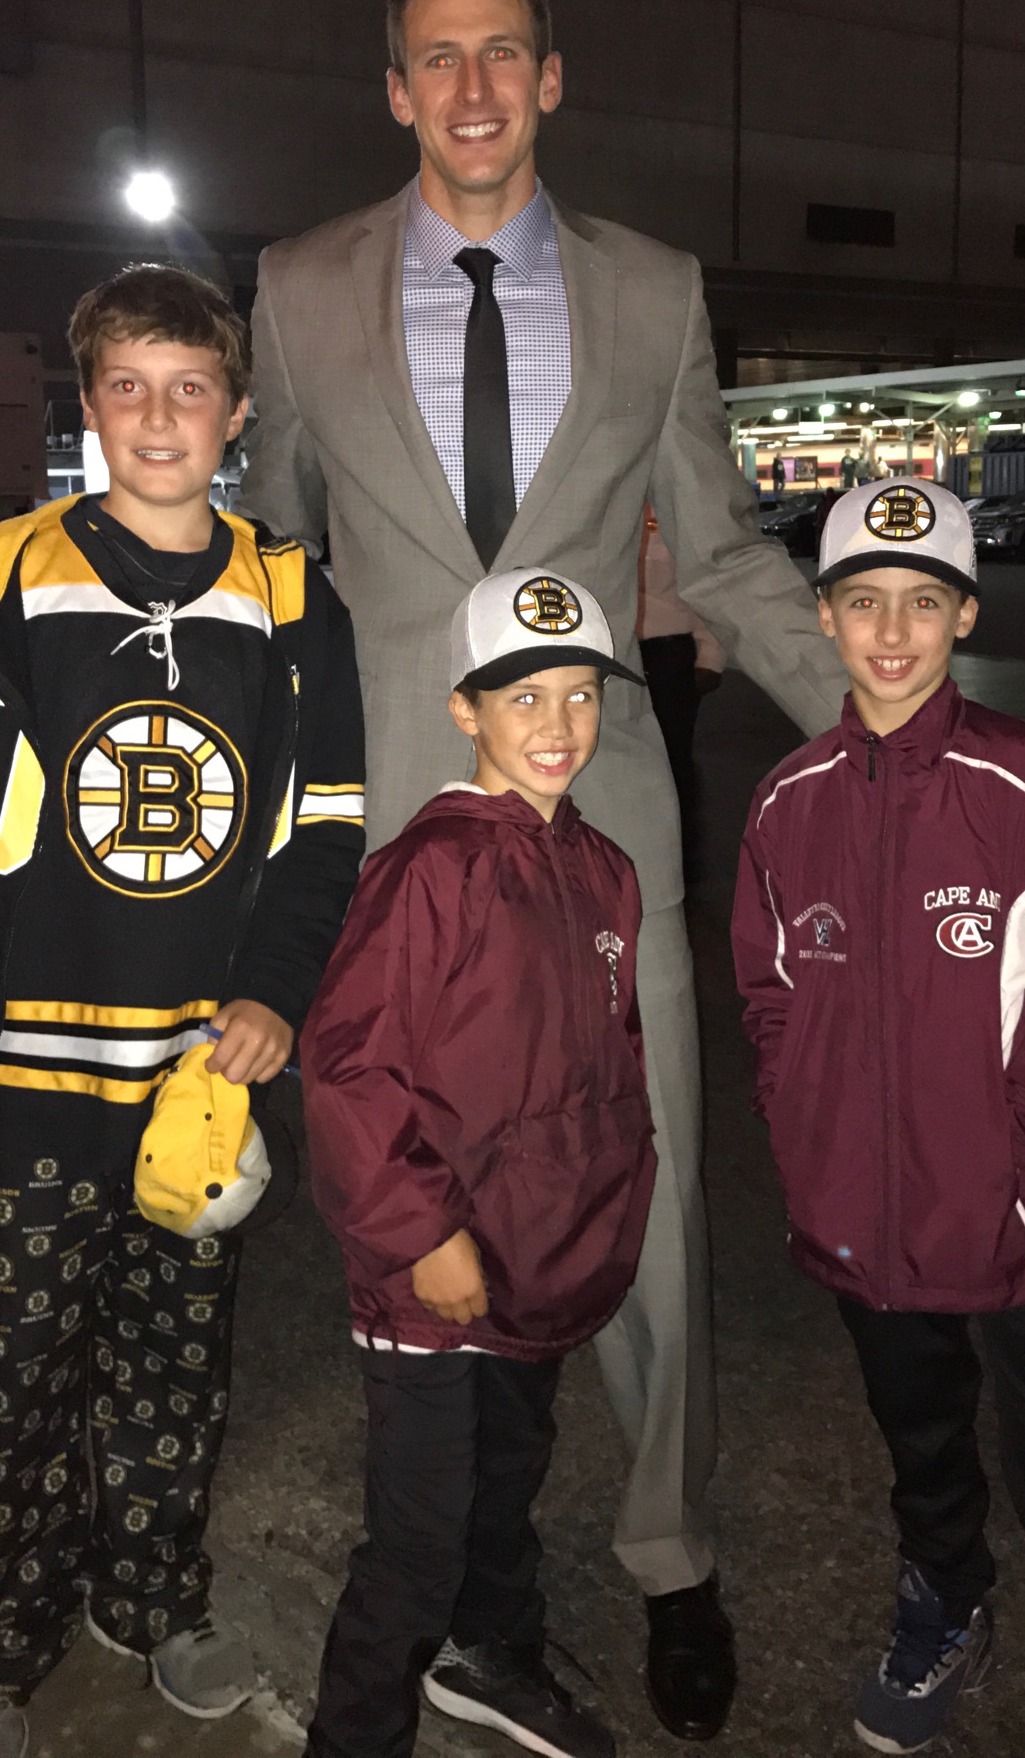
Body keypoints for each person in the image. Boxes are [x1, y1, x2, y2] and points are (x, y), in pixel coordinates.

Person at [238, 0, 844, 1739]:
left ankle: (671, 1546)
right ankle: (444, 1558)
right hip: (390, 818)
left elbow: (719, 549)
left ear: (551, 79)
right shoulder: (299, 288)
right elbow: (270, 568)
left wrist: (880, 712)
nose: (475, 88)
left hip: (607, 812)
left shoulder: (655, 292)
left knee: (647, 1178)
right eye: (440, 58)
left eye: (504, 52)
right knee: (408, 1175)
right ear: (396, 89)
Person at [0, 264, 366, 1758]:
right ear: (86, 403)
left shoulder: (291, 598)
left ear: (237, 411)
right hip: (27, 1072)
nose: (160, 418)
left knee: (175, 1360)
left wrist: (275, 992)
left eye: (191, 389)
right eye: (129, 387)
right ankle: (0, 1647)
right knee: (14, 1372)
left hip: (194, 1082)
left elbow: (324, 825)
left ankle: (150, 1593)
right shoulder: (0, 584)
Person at [729, 480, 1025, 1758]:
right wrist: (805, 1130)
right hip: (862, 1210)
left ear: (965, 615)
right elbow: (769, 990)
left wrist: (1023, 1153)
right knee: (922, 1439)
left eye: (923, 602)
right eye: (865, 600)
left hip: (1017, 1218)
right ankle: (946, 1601)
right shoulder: (788, 799)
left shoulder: (1023, 779)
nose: (893, 631)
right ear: (824, 615)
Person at [299, 569, 656, 1758]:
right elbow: (349, 1070)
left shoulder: (605, 868)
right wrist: (422, 1233)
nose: (558, 723)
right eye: (522, 696)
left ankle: (489, 1652)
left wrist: (608, 1207)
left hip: (539, 1258)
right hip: (433, 1279)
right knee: (416, 1538)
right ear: (466, 708)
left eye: (580, 693)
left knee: (506, 1491)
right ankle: (356, 1734)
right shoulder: (431, 867)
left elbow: (610, 1065)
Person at [637, 504, 724, 877]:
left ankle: (680, 858)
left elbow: (704, 587)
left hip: (669, 653)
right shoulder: (605, 508)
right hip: (614, 651)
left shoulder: (675, 512)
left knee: (672, 758)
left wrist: (710, 656)